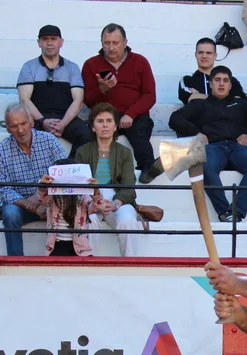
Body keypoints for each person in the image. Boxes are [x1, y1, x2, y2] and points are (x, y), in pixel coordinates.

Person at [167, 67, 247, 222]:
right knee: (205, 167)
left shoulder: (240, 103)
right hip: (213, 147)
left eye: (225, 81)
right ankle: (225, 213)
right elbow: (175, 119)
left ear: (230, 85)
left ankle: (237, 211)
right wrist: (197, 133)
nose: (221, 84)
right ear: (211, 84)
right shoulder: (200, 104)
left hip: (237, 147)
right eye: (217, 80)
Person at [0, 104, 68, 256]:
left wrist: (45, 202)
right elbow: (4, 190)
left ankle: (63, 260)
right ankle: (15, 262)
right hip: (21, 204)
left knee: (68, 206)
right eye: (14, 126)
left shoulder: (49, 140)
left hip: (51, 200)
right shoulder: (1, 151)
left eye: (23, 123)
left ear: (31, 122)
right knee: (10, 213)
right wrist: (33, 207)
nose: (20, 130)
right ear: (7, 128)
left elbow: (64, 173)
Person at [82, 24, 156, 174]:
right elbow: (88, 100)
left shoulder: (140, 61)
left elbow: (150, 95)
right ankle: (78, 171)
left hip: (134, 116)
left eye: (115, 43)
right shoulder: (91, 64)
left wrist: (131, 114)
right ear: (101, 43)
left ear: (125, 42)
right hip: (104, 116)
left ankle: (148, 170)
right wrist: (102, 89)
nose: (111, 48)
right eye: (106, 43)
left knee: (140, 133)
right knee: (84, 136)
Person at [74, 102, 144, 256]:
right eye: (100, 121)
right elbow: (78, 185)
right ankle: (89, 264)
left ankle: (131, 264)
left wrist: (115, 203)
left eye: (109, 121)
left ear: (115, 126)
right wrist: (93, 204)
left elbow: (128, 188)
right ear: (93, 127)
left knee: (128, 220)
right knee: (89, 220)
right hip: (91, 199)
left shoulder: (125, 152)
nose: (105, 125)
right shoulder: (82, 151)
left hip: (117, 198)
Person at [17, 25, 93, 153]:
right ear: (39, 42)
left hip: (66, 118)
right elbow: (24, 100)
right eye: (45, 39)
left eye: (53, 39)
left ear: (61, 42)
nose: (49, 43)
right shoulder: (29, 67)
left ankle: (70, 164)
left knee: (87, 136)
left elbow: (78, 100)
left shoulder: (72, 67)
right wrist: (42, 121)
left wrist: (63, 123)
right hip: (37, 119)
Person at [36, 160, 96, 257]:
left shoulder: (82, 196)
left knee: (87, 265)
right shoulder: (52, 196)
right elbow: (42, 198)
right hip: (56, 245)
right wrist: (42, 185)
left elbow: (95, 208)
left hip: (80, 247)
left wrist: (96, 191)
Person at [179, 38, 217, 105]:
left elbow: (236, 102)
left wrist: (199, 95)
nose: (204, 56)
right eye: (200, 52)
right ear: (195, 54)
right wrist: (222, 100)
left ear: (215, 56)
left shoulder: (228, 80)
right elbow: (191, 98)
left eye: (208, 53)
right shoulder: (187, 80)